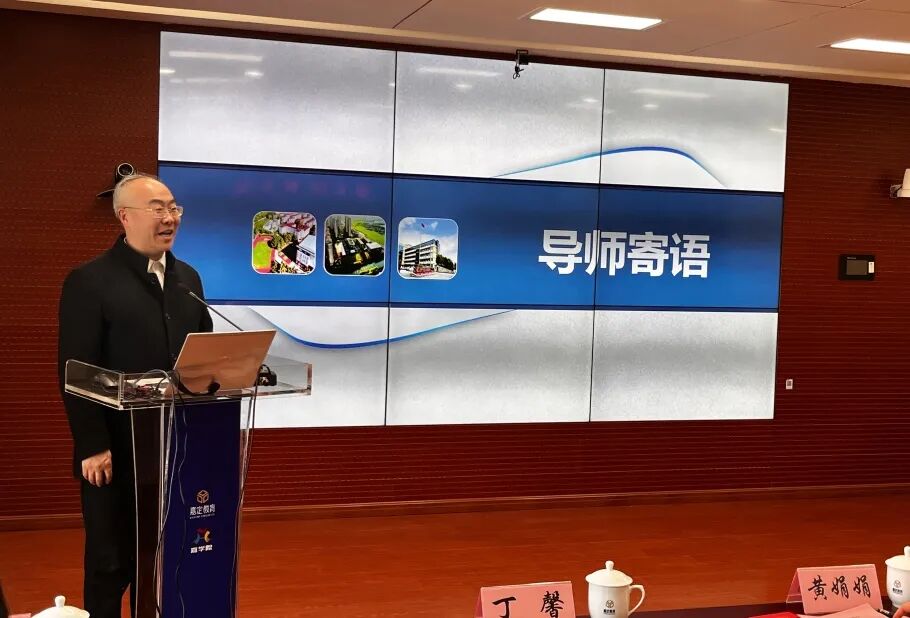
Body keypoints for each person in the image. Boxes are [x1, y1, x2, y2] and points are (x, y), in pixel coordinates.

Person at [57, 174, 213, 618]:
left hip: (177, 447)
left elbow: (202, 356)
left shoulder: (188, 279)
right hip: (116, 449)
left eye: (174, 208)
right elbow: (74, 371)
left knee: (170, 555)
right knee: (110, 562)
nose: (170, 217)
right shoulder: (90, 280)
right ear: (125, 216)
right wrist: (93, 445)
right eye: (158, 209)